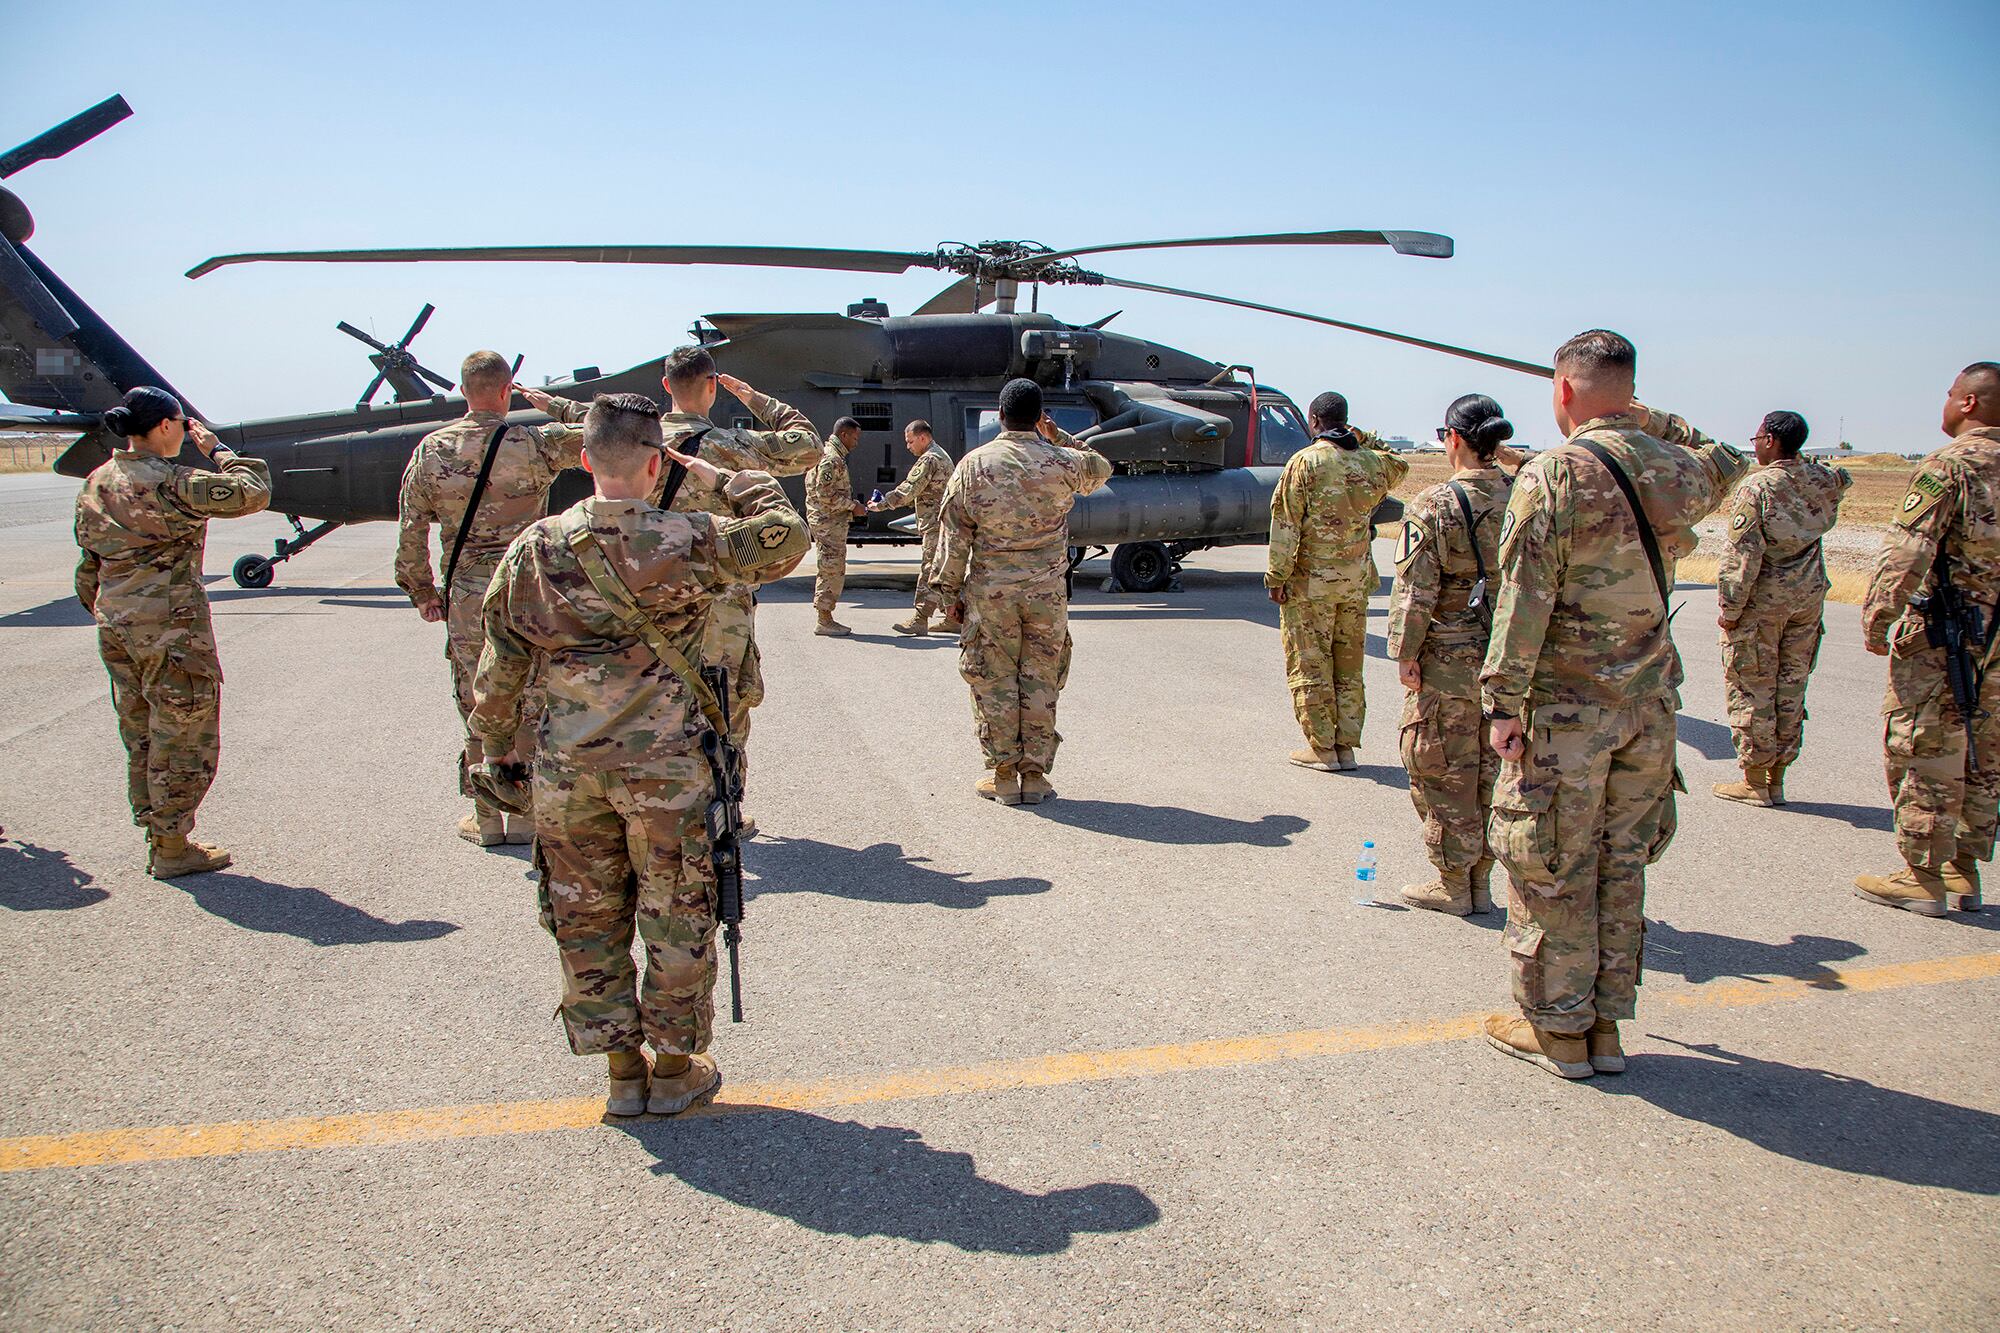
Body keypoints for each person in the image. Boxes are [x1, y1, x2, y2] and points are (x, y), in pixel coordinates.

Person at [469, 393, 807, 1116]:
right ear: (657, 465)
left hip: (568, 770)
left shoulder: (535, 547)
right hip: (668, 769)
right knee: (678, 910)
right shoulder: (690, 537)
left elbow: (501, 667)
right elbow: (785, 535)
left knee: (583, 916)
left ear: (584, 460)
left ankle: (622, 1072)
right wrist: (720, 477)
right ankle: (675, 1067)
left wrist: (496, 754)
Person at [1480, 329, 1746, 1080]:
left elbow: (1523, 600)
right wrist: (1647, 420)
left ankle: (1556, 1028)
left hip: (1568, 710)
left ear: (1563, 390)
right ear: (1628, 390)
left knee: (1551, 865)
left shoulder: (1553, 472)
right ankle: (1605, 1028)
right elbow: (1726, 453)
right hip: (1649, 705)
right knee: (1622, 865)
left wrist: (1502, 701)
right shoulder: (1675, 468)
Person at [74, 386, 271, 878]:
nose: (186, 432)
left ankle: (158, 833)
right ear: (165, 426)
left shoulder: (96, 481)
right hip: (171, 629)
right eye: (182, 424)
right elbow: (253, 491)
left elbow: (88, 562)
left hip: (116, 622)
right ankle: (171, 846)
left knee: (140, 731)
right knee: (183, 734)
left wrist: (106, 609)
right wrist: (217, 449)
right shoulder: (173, 482)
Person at [395, 350, 587, 847]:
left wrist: (421, 591)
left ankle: (485, 816)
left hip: (466, 592)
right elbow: (607, 429)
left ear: (463, 390)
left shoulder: (433, 449)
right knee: (530, 693)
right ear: (506, 391)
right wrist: (555, 405)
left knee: (475, 693)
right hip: (526, 586)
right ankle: (525, 814)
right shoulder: (534, 443)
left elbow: (412, 526)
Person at [1854, 362, 2000, 917]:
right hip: (1995, 636)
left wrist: (1878, 615)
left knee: (1925, 743)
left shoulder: (1951, 465)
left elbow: (1909, 550)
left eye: (1949, 395)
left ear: (1967, 403)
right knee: (1986, 749)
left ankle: (1922, 874)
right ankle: (1964, 870)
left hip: (1945, 630)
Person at [653, 345, 822, 821]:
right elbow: (809, 443)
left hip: (649, 600)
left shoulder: (637, 446)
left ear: (666, 385)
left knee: (654, 699)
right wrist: (754, 398)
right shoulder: (735, 446)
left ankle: (659, 808)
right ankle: (723, 809)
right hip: (723, 604)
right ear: (712, 386)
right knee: (725, 702)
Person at [933, 377, 1111, 804]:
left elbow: (954, 538)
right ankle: (1035, 776)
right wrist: (1058, 437)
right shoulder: (1062, 462)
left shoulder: (973, 465)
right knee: (1040, 680)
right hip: (1046, 596)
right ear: (1039, 418)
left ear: (999, 415)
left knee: (993, 680)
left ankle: (1003, 775)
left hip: (991, 595)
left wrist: (948, 594)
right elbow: (1100, 467)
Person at [1386, 395, 1519, 914]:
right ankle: (1480, 882)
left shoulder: (1436, 503)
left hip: (1449, 654)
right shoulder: (1526, 494)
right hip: (1509, 651)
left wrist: (1404, 651)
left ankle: (1452, 883)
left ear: (1454, 438)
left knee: (1438, 765)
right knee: (1493, 768)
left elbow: (1415, 589)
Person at [1711, 411, 1851, 808]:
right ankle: (1778, 778)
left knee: (1752, 683)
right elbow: (1843, 481)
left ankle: (1754, 780)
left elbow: (1744, 553)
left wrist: (1730, 606)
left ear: (1770, 440)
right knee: (1792, 685)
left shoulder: (1759, 487)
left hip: (1764, 601)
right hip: (1807, 598)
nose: (1753, 445)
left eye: (1756, 438)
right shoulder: (1823, 480)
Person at [1266, 391, 1408, 771]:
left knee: (1310, 663)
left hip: (1310, 585)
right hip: (1355, 583)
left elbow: (1285, 524)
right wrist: (1359, 437)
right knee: (1348, 666)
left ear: (1313, 421)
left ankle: (1321, 747)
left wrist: (1276, 576)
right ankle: (1345, 746)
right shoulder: (1372, 463)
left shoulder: (1305, 462)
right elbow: (1400, 463)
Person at [868, 419, 956, 636]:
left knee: (930, 569)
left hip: (936, 525)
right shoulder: (941, 455)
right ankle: (953, 618)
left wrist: (882, 505)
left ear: (923, 438)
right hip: (944, 523)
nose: (908, 447)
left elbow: (909, 489)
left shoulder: (929, 459)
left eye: (910, 441)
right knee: (944, 571)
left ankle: (920, 618)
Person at [805, 417, 866, 636]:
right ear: (844, 435)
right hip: (828, 524)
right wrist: (853, 507)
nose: (856, 443)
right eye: (855, 438)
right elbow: (825, 495)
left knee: (830, 567)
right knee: (831, 569)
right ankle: (824, 619)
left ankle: (826, 617)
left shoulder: (829, 454)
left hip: (829, 523)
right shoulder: (832, 459)